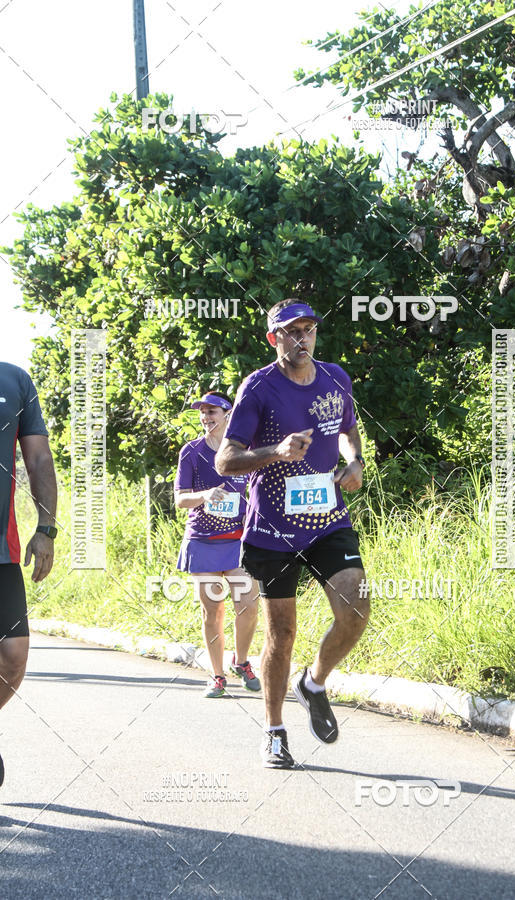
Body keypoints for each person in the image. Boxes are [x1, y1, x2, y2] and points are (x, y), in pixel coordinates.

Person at [215, 300, 370, 768]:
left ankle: (315, 682)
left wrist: (355, 460)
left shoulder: (335, 378)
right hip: (272, 528)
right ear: (274, 338)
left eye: (309, 329)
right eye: (292, 331)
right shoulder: (258, 388)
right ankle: (275, 730)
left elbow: (349, 431)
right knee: (281, 634)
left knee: (356, 606)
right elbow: (226, 460)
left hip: (327, 519)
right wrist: (275, 451)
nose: (303, 338)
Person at [174, 391, 261, 698]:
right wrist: (205, 495)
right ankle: (217, 675)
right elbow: (180, 499)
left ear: (228, 414)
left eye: (212, 411)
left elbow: (259, 489)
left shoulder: (244, 451)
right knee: (213, 612)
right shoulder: (192, 452)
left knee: (249, 604)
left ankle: (241, 661)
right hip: (203, 542)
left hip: (238, 542)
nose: (206, 417)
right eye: (203, 412)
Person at [0, 362, 57, 786]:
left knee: (14, 656)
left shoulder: (14, 379)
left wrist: (46, 527)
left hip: (1, 550)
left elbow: (37, 457)